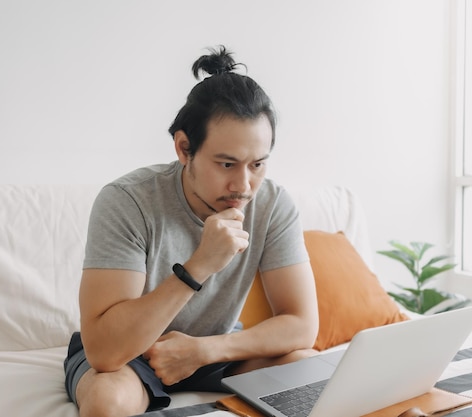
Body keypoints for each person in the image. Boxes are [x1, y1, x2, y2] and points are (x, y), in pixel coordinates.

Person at [64, 46, 319, 417]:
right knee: (107, 401)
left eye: (257, 164)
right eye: (227, 163)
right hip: (129, 356)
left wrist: (204, 351)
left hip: (216, 350)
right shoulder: (127, 201)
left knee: (307, 369)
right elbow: (104, 351)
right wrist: (198, 266)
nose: (244, 185)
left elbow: (302, 326)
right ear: (185, 148)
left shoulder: (273, 204)